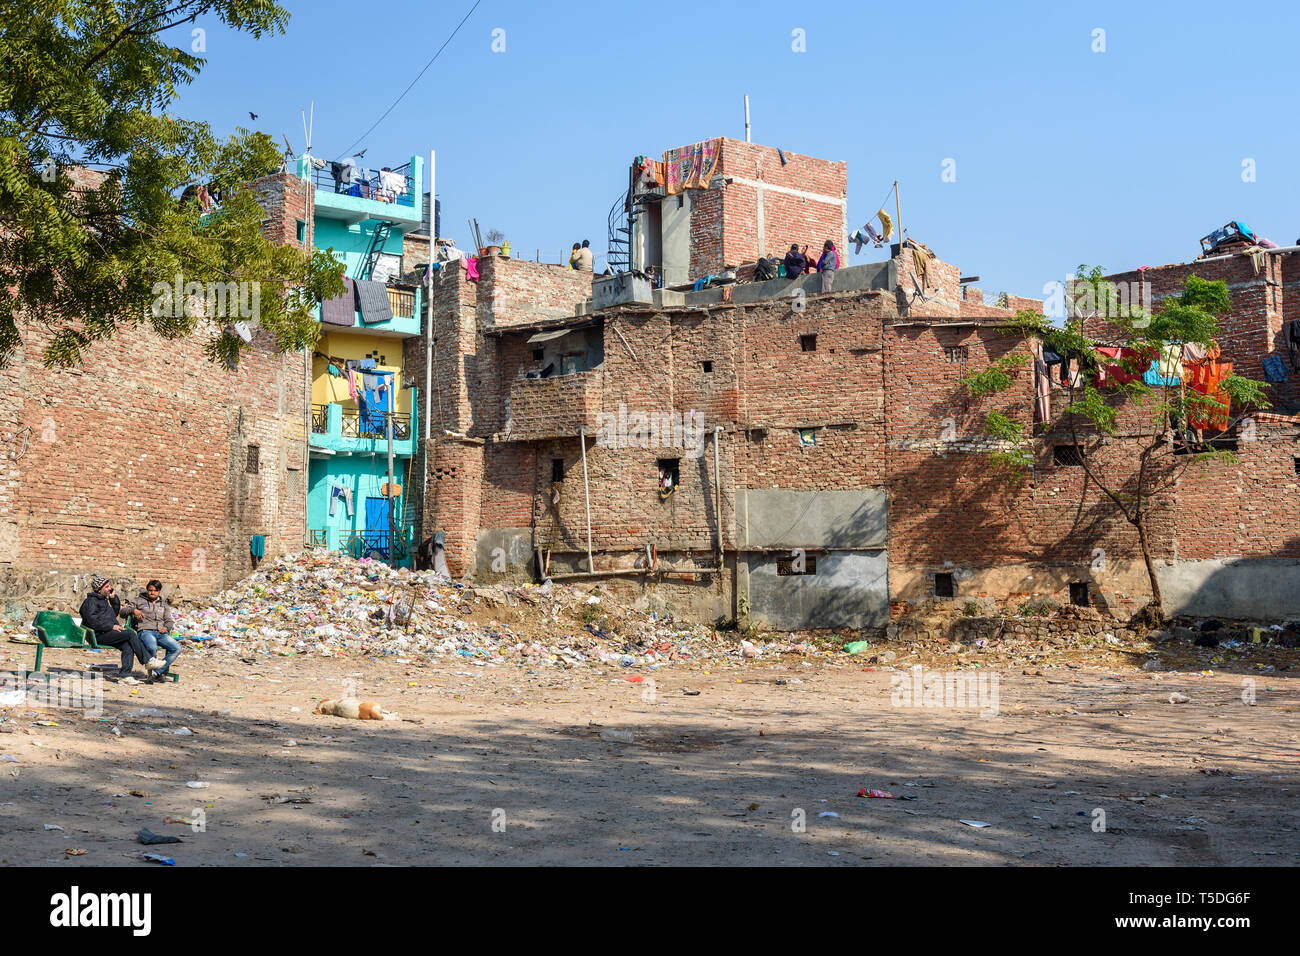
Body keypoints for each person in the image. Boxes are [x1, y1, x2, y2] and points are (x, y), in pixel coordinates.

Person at [78, 576, 151, 684]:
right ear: (99, 589)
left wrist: (113, 599)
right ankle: (147, 661)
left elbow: (114, 613)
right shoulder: (90, 602)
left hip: (107, 633)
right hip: (98, 635)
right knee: (130, 634)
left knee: (128, 645)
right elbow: (92, 622)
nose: (110, 588)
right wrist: (111, 626)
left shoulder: (103, 600)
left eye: (109, 586)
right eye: (107, 587)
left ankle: (125, 676)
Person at [127, 579, 181, 683]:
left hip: (161, 633)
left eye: (155, 590)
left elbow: (169, 621)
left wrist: (166, 628)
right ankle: (153, 674)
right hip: (145, 631)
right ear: (147, 590)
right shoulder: (139, 600)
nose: (152, 593)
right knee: (152, 647)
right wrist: (134, 610)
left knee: (176, 648)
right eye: (150, 590)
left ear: (159, 591)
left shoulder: (163, 605)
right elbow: (123, 611)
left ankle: (157, 672)